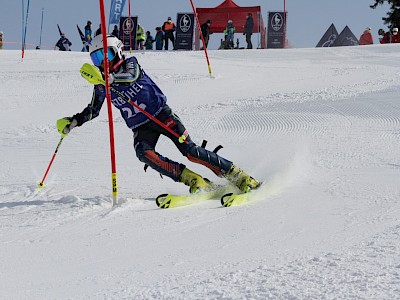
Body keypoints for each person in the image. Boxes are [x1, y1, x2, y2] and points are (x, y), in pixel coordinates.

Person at [56, 34, 260, 195]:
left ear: (117, 51)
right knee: (143, 153)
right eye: (97, 58)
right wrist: (73, 122)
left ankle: (238, 176)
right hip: (141, 127)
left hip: (161, 115)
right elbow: (93, 109)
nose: (103, 61)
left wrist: (109, 79)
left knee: (190, 151)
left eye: (106, 55)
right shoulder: (101, 85)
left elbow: (130, 77)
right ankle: (194, 180)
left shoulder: (130, 64)